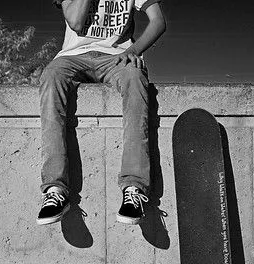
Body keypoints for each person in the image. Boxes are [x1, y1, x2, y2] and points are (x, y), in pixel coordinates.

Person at [37, 0, 166, 225]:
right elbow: (76, 22)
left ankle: (134, 188)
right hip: (72, 57)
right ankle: (55, 189)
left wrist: (133, 50)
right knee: (50, 77)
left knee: (135, 78)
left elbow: (158, 21)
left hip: (115, 57)